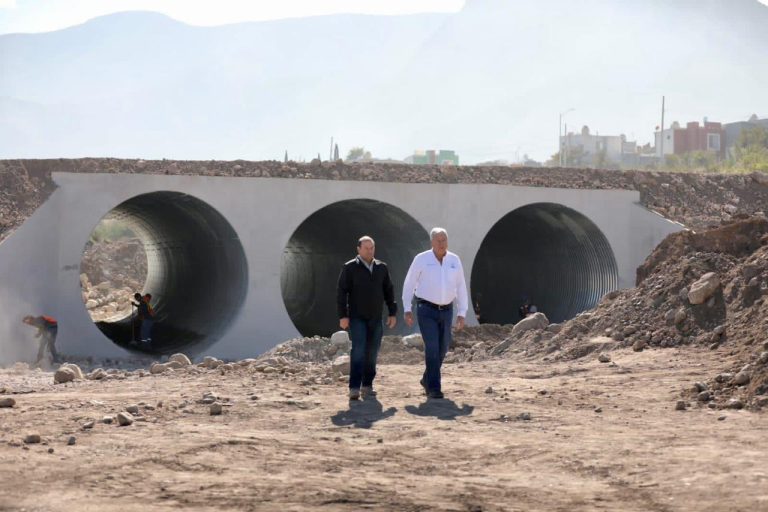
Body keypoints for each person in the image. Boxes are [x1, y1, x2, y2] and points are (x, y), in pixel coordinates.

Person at [402, 227, 468, 399]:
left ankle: (426, 378)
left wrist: (462, 312)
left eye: (444, 240)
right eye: (438, 240)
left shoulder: (454, 260)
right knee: (432, 347)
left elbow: (460, 286)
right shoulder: (422, 259)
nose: (442, 244)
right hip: (426, 310)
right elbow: (409, 283)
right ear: (432, 242)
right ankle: (434, 388)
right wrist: (407, 308)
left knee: (443, 348)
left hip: (446, 311)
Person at [337, 236, 397, 401]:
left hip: (375, 317)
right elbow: (342, 293)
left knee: (372, 352)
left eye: (372, 248)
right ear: (358, 249)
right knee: (358, 350)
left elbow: (389, 291)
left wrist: (392, 312)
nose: (369, 251)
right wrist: (343, 316)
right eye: (366, 248)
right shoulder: (350, 268)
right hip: (357, 317)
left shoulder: (381, 268)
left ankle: (367, 385)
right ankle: (354, 387)